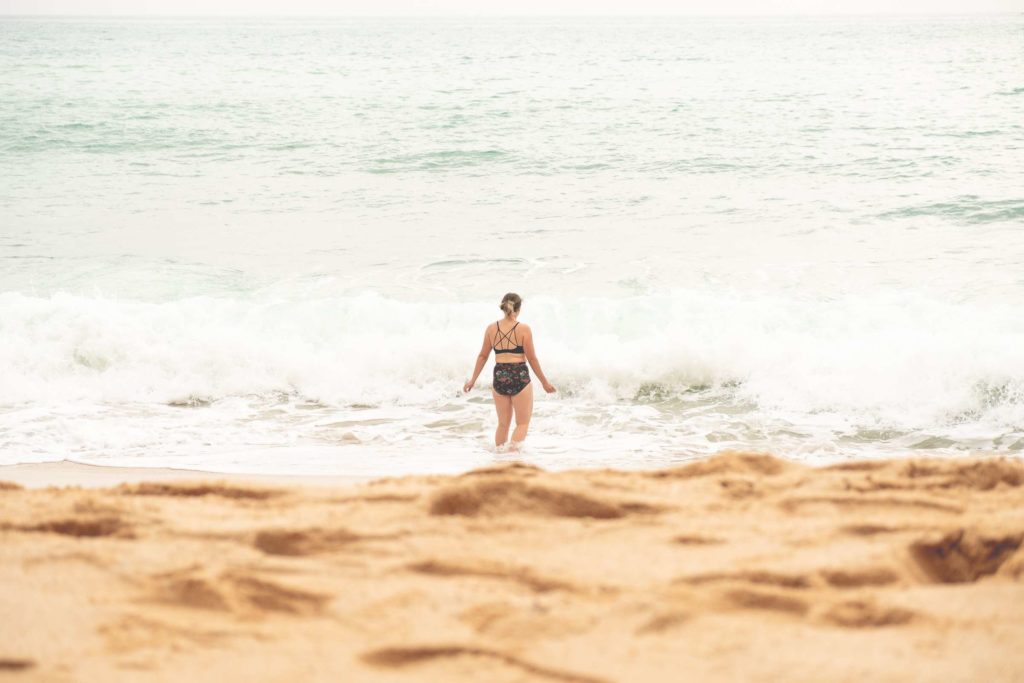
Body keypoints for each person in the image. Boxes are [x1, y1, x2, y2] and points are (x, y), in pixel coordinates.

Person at [463, 292, 555, 449]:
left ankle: (500, 459)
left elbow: (483, 356)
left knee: (503, 424)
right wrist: (545, 382)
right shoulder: (524, 329)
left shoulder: (491, 328)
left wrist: (472, 380)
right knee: (522, 424)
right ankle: (512, 457)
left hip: (499, 376)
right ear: (518, 309)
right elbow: (532, 359)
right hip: (519, 375)